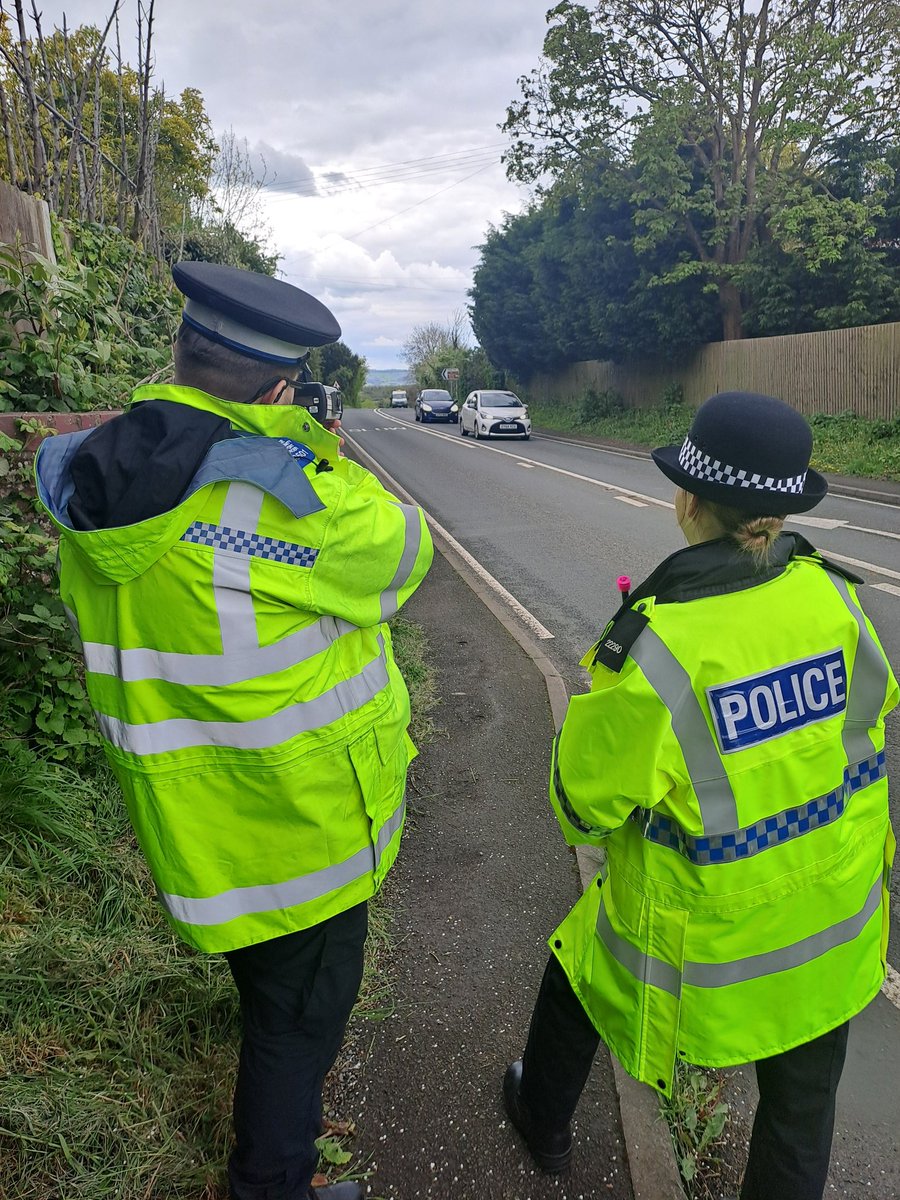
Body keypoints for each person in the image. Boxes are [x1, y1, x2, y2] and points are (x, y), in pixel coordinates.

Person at [34, 260, 434, 1200]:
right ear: (282, 388)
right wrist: (316, 448)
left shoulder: (93, 475)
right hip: (301, 834)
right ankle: (276, 1183)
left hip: (196, 829)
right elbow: (405, 550)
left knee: (266, 1001)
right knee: (298, 1031)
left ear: (177, 352)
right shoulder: (293, 503)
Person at [502, 391, 897, 1200]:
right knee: (800, 1107)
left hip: (705, 936)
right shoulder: (838, 599)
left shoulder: (662, 644)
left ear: (688, 502)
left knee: (581, 967)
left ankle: (541, 1121)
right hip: (834, 912)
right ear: (782, 510)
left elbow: (581, 803)